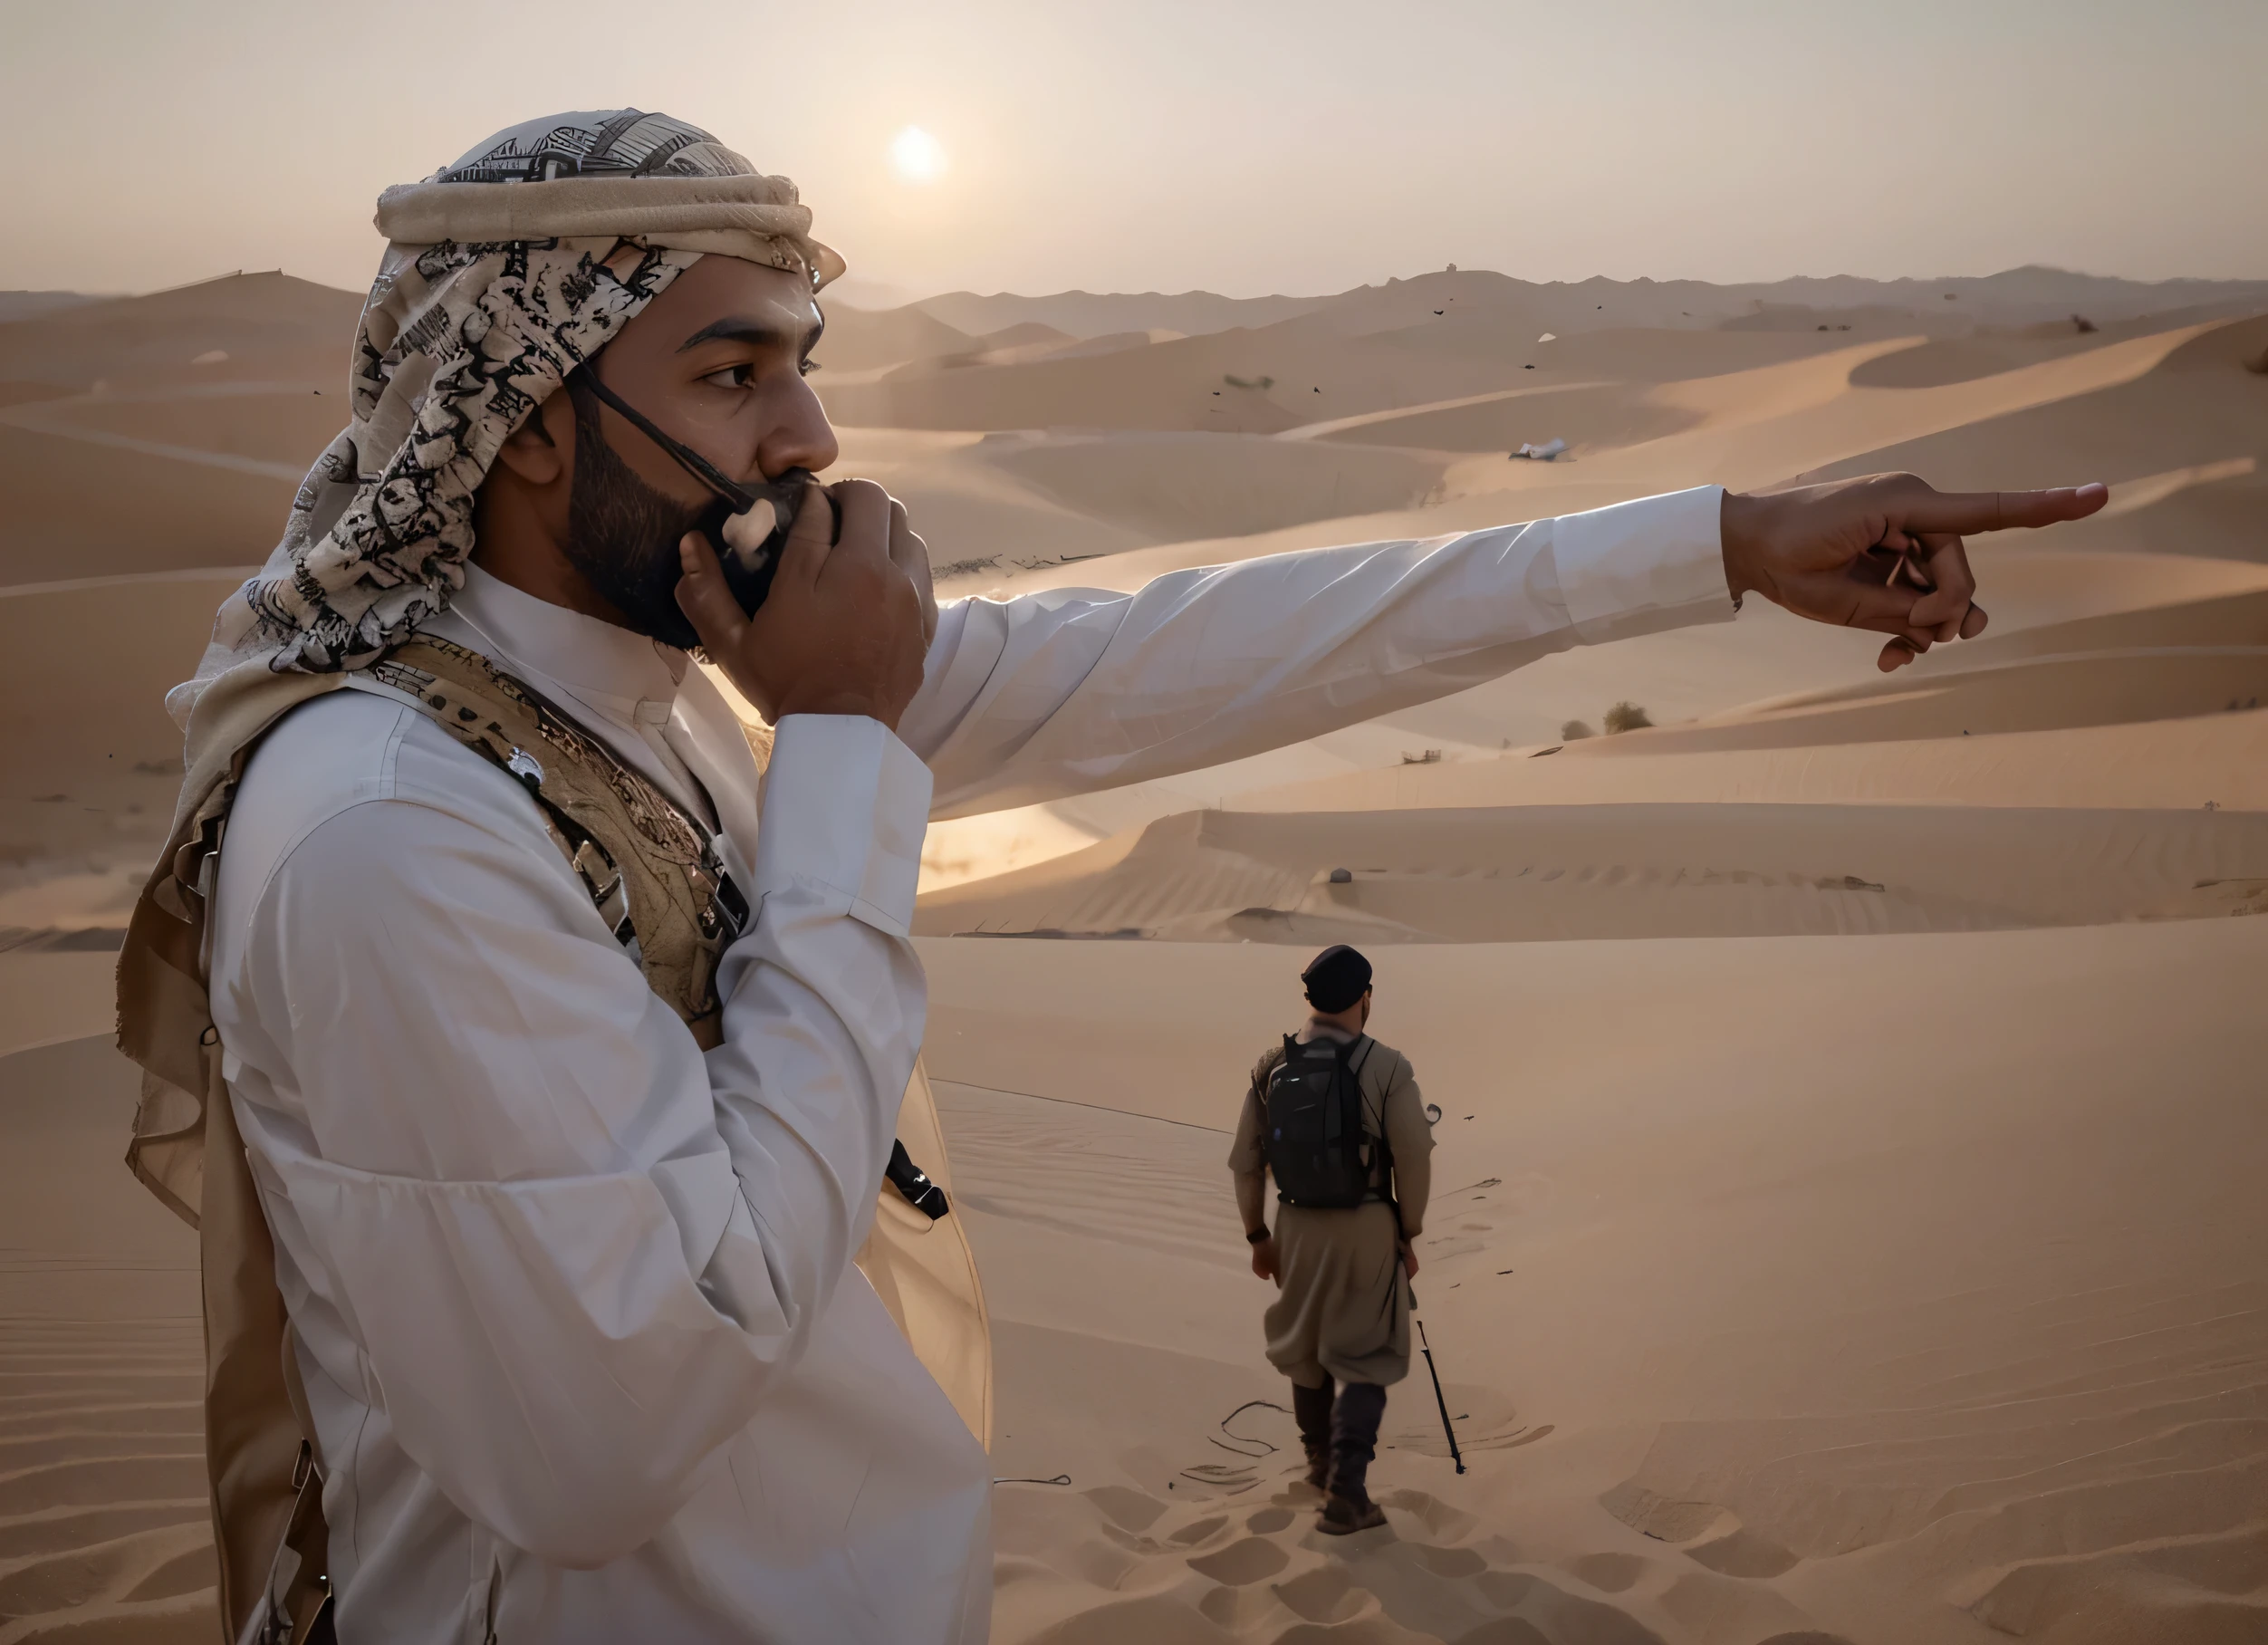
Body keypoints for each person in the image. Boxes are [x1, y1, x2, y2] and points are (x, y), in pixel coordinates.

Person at [111, 106, 2109, 1644]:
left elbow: (1201, 642)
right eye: (733, 375)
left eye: (803, 362)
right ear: (525, 425)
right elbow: (598, 1434)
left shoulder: (660, 683)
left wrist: (1723, 541)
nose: (810, 433)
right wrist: (839, 757)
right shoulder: (397, 826)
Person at [1229, 946, 1429, 1534]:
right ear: (1365, 997)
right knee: (1365, 1355)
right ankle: (1347, 1489)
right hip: (1367, 1224)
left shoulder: (1272, 1063)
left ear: (1310, 998)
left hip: (1294, 1226)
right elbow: (1413, 1156)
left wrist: (1258, 1235)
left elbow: (1246, 1162)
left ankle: (1319, 1463)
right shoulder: (1387, 1066)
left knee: (1309, 1348)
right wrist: (1408, 1232)